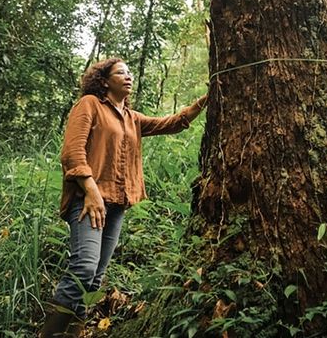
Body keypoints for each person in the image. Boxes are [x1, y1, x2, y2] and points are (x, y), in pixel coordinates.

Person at [40, 57, 207, 337]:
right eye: (121, 72)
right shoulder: (89, 104)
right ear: (104, 80)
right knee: (83, 268)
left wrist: (206, 99)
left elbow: (173, 123)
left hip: (116, 204)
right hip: (87, 200)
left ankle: (71, 334)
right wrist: (91, 191)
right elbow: (72, 152)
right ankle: (48, 335)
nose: (129, 76)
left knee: (94, 279)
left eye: (130, 72)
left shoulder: (132, 117)